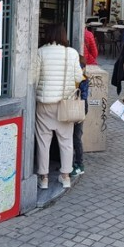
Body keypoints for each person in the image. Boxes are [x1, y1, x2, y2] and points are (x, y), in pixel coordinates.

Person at [34, 24, 83, 189]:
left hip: (44, 104)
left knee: (43, 141)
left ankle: (44, 178)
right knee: (66, 141)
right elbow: (79, 77)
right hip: (64, 104)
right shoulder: (72, 53)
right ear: (63, 35)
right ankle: (65, 176)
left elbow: (34, 79)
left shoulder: (40, 52)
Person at [71, 55, 90, 177]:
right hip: (74, 107)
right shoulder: (73, 78)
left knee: (76, 137)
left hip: (79, 108)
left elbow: (83, 97)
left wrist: (80, 114)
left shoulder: (83, 80)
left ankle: (79, 164)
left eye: (81, 67)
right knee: (72, 137)